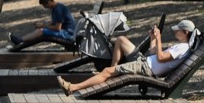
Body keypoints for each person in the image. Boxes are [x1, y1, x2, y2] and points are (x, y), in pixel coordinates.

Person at [58, 19, 196, 95]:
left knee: (106, 72)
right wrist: (153, 38)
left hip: (146, 68)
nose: (175, 32)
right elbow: (155, 54)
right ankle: (112, 71)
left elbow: (160, 57)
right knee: (121, 40)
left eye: (178, 30)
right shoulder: (182, 45)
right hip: (145, 61)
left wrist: (159, 39)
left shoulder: (183, 48)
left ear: (185, 32)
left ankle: (73, 88)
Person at [10, 0, 75, 47]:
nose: (44, 7)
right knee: (40, 29)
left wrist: (44, 26)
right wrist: (43, 24)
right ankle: (20, 40)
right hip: (65, 31)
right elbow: (55, 22)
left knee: (41, 31)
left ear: (49, 2)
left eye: (44, 5)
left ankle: (20, 40)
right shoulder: (56, 8)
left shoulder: (58, 10)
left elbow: (58, 28)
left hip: (68, 34)